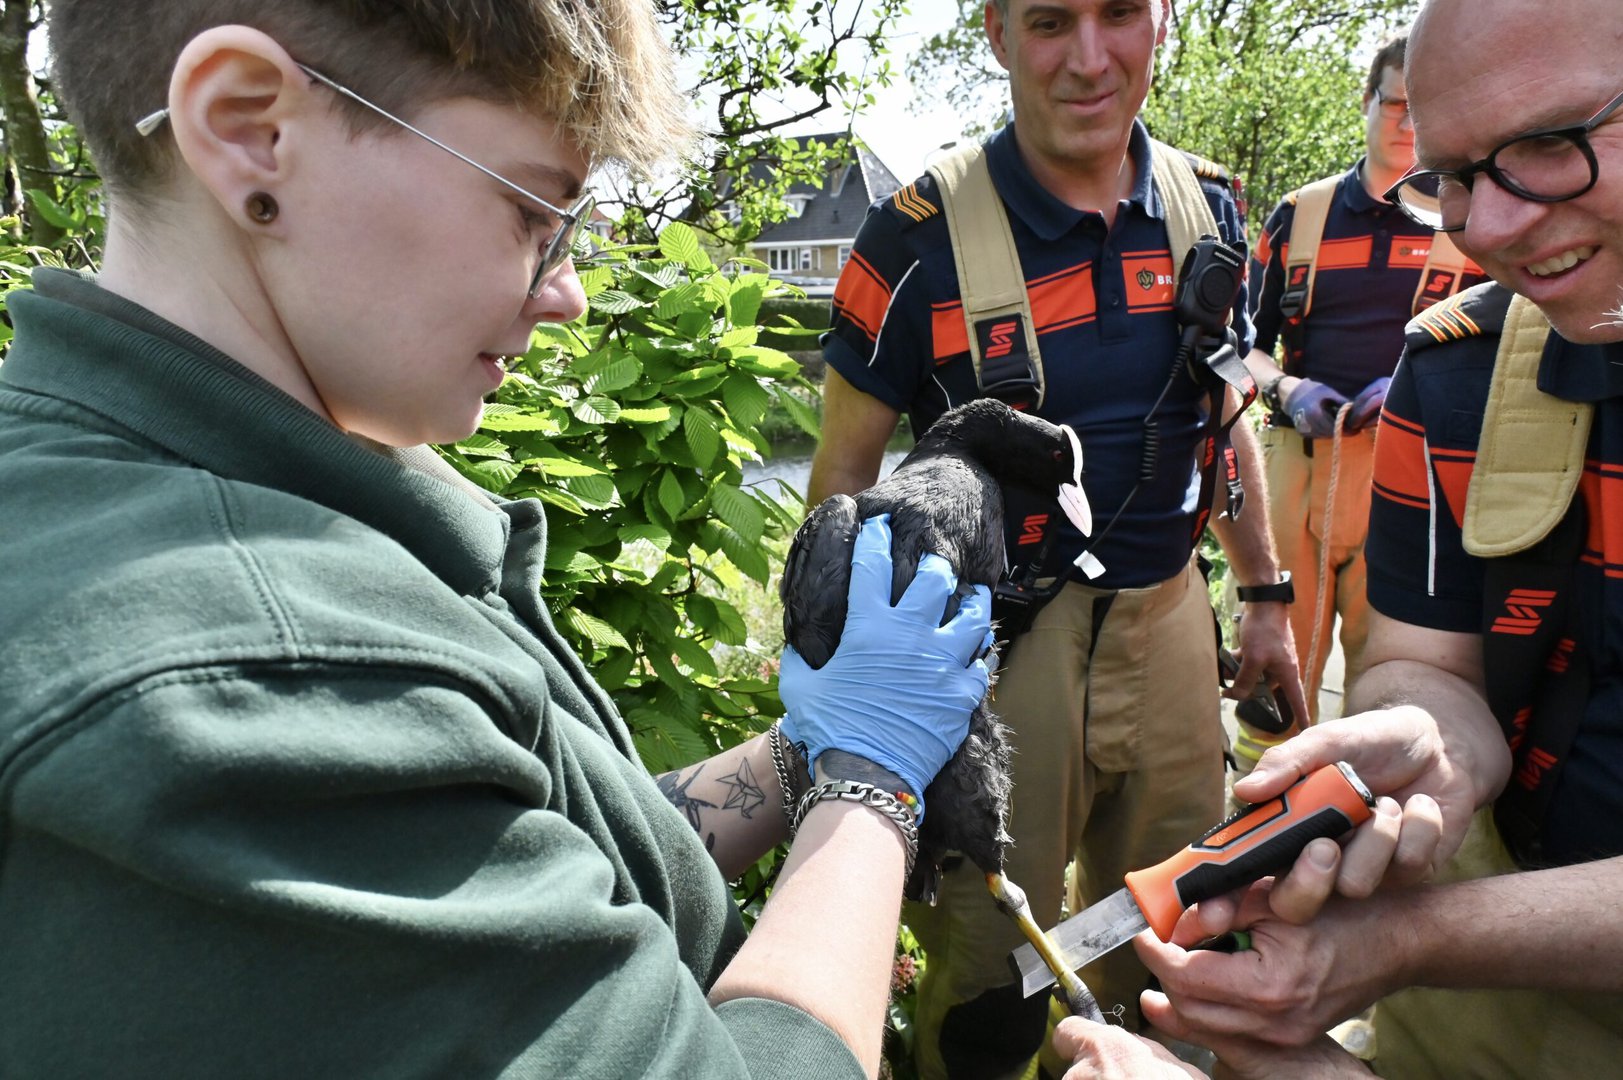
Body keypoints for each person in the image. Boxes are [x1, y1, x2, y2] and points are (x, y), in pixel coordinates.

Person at [0, 2, 999, 1076]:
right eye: (533, 213)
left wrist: (800, 755)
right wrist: (871, 782)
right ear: (250, 127)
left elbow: (550, 856)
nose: (567, 292)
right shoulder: (265, 681)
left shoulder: (191, 487)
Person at [1061, 0, 1623, 1074]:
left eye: (1548, 145)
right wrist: (1427, 733)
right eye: (1449, 176)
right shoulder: (1451, 371)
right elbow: (1426, 662)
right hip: (1331, 463)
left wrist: (1405, 941)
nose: (1482, 230)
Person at [813, 0, 1305, 1074]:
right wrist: (840, 694)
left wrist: (1266, 598)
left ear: (1162, 20)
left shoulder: (1214, 207)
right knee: (993, 970)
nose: (1090, 59)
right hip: (995, 657)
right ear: (995, 33)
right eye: (1049, 22)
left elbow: (1227, 418)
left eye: (1119, 13)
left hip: (1174, 625)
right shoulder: (914, 234)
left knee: (1171, 934)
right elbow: (841, 479)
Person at [1240, 31, 1488, 741]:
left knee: (1400, 680)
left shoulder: (1475, 218)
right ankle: (1261, 798)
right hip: (1297, 475)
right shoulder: (1300, 215)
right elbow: (1239, 348)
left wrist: (1413, 384)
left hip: (1419, 481)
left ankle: (1368, 803)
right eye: (1397, 104)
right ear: (1367, 101)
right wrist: (1287, 389)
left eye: (1425, 107)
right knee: (1277, 679)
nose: (1409, 123)